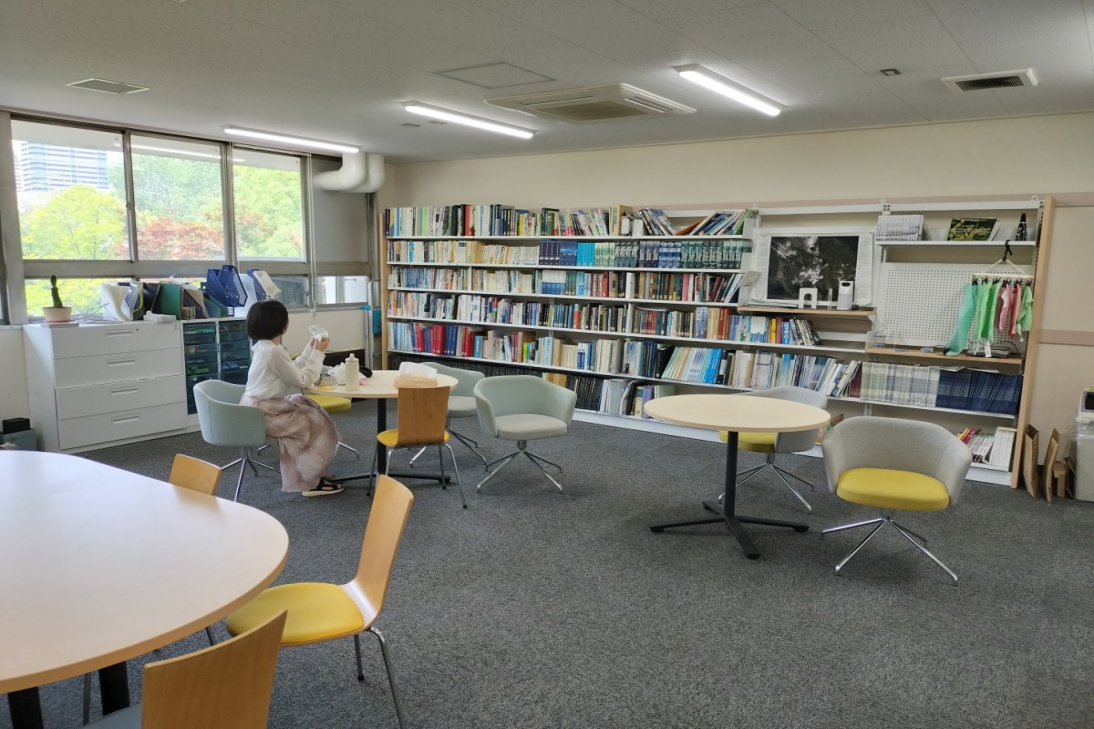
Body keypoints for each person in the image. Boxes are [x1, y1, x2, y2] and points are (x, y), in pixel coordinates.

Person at [241, 300, 343, 496]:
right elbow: (302, 380)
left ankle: (312, 473)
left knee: (305, 404)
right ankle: (310, 481)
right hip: (266, 414)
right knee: (316, 423)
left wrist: (310, 350)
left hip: (256, 409)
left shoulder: (264, 347)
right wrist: (318, 353)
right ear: (282, 324)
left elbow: (292, 371)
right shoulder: (274, 351)